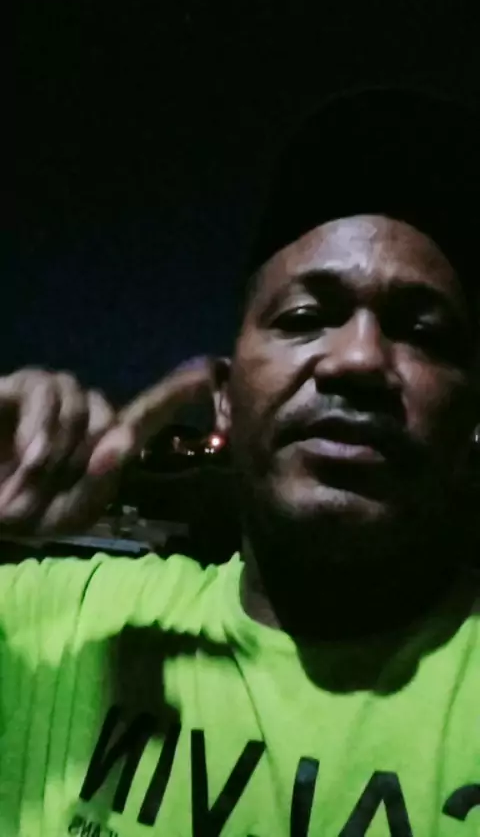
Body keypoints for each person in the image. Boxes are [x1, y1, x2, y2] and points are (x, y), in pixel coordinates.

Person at [1, 86, 480, 837]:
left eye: (421, 332)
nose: (358, 359)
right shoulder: (54, 627)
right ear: (223, 399)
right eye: (305, 317)